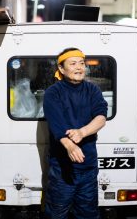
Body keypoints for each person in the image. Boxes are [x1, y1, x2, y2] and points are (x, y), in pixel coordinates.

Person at [43, 47, 108, 219]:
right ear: (62, 69)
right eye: (73, 63)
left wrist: (82, 132)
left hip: (88, 166)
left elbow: (101, 117)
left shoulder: (92, 90)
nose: (79, 67)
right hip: (62, 168)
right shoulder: (53, 93)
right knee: (56, 213)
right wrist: (70, 145)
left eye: (81, 63)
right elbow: (56, 124)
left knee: (88, 213)